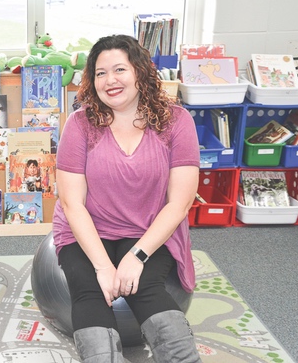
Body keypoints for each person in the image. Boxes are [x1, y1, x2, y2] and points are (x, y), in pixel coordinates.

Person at [52, 35, 202, 363]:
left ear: (139, 71)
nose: (110, 80)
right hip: (87, 230)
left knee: (145, 287)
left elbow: (180, 202)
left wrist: (136, 256)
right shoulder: (79, 125)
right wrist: (103, 267)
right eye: (101, 73)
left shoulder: (177, 122)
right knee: (90, 290)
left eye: (119, 69)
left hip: (149, 229)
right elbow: (72, 203)